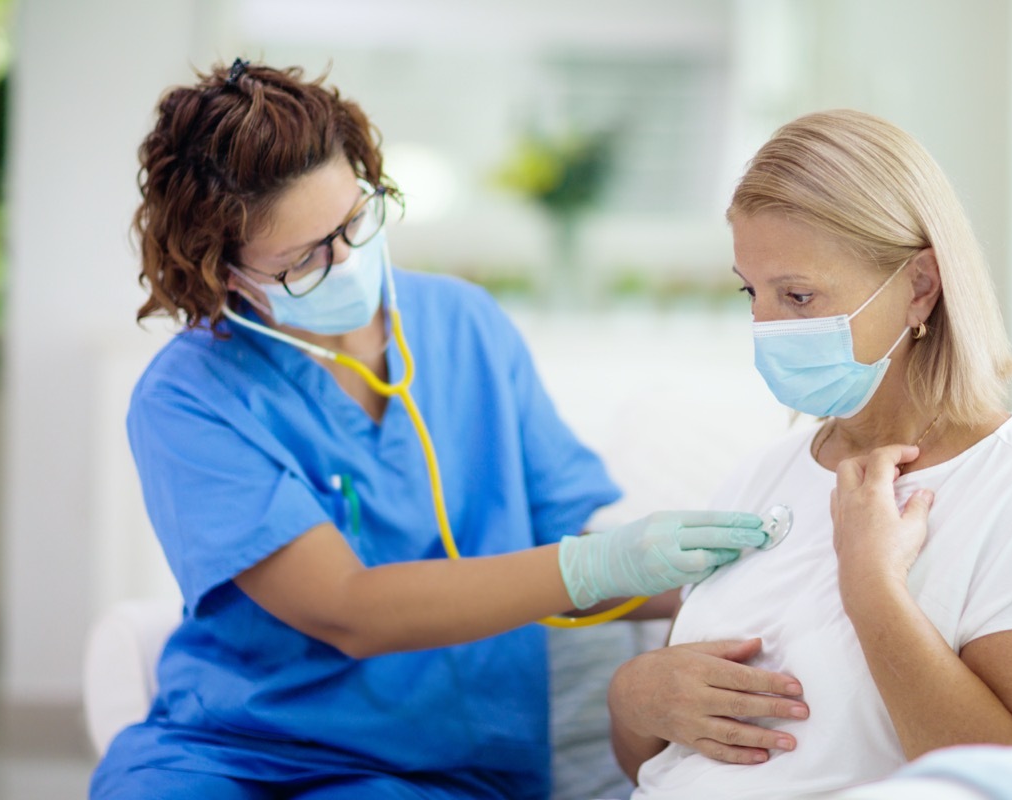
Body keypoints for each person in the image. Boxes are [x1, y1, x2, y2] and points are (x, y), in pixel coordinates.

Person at [89, 60, 767, 800]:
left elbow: (576, 552)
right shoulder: (190, 396)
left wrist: (720, 568)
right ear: (227, 275)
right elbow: (346, 609)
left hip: (441, 765)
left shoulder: (464, 325)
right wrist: (599, 563)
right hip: (229, 753)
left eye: (354, 220)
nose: (347, 260)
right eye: (303, 259)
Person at [606, 109, 1012, 799]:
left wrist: (872, 587)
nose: (764, 325)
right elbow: (659, 765)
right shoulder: (761, 476)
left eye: (797, 295)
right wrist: (634, 700)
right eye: (749, 291)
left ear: (920, 287)